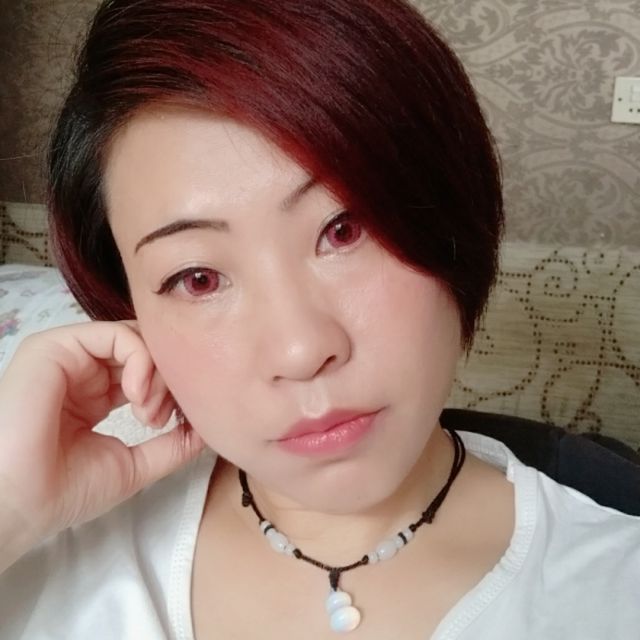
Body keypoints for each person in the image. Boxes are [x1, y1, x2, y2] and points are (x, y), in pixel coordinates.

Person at [0, 1, 638, 638]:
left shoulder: (615, 588)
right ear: (131, 314)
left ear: (451, 218)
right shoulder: (39, 549)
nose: (301, 350)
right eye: (198, 279)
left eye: (344, 229)